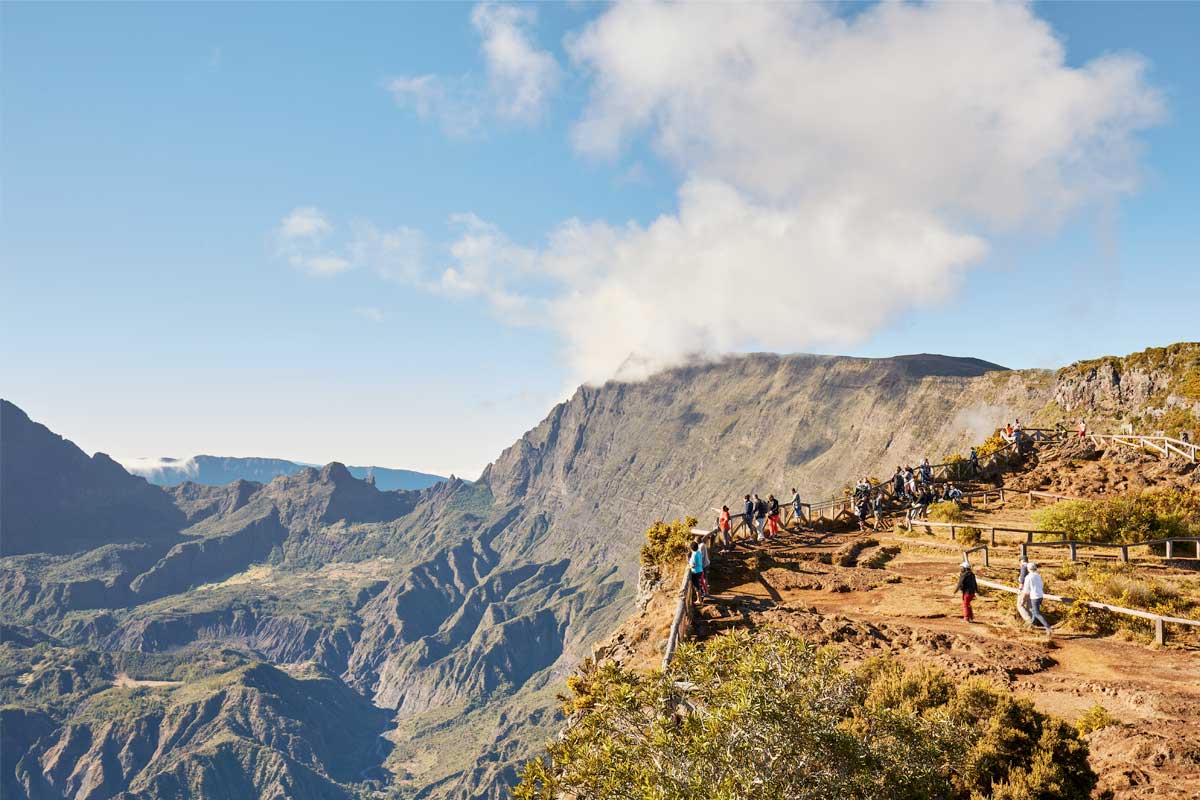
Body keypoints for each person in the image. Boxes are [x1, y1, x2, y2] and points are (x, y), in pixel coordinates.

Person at [1021, 562, 1052, 635]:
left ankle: (1048, 627)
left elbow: (1026, 591)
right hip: (1040, 596)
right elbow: (1041, 586)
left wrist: (1023, 601)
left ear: (1028, 569)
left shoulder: (1028, 577)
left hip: (1034, 597)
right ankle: (1031, 624)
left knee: (1036, 613)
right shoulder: (1038, 575)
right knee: (1034, 611)